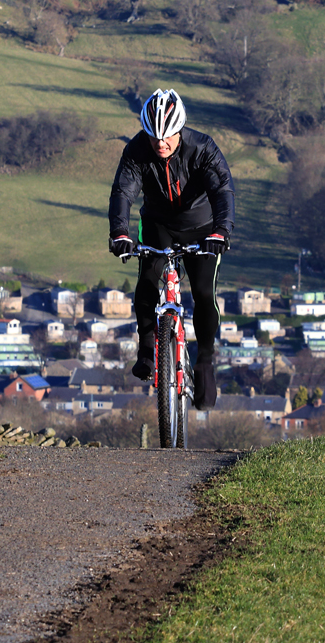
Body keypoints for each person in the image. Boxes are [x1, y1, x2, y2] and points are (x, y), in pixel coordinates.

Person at [108, 88, 234, 410]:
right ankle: (147, 348)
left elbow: (222, 190)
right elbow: (123, 192)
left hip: (203, 228)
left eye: (167, 137)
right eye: (154, 138)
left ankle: (204, 361)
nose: (160, 144)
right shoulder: (136, 151)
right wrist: (119, 232)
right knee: (148, 281)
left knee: (204, 292)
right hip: (157, 225)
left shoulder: (202, 148)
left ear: (180, 130)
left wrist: (221, 230)